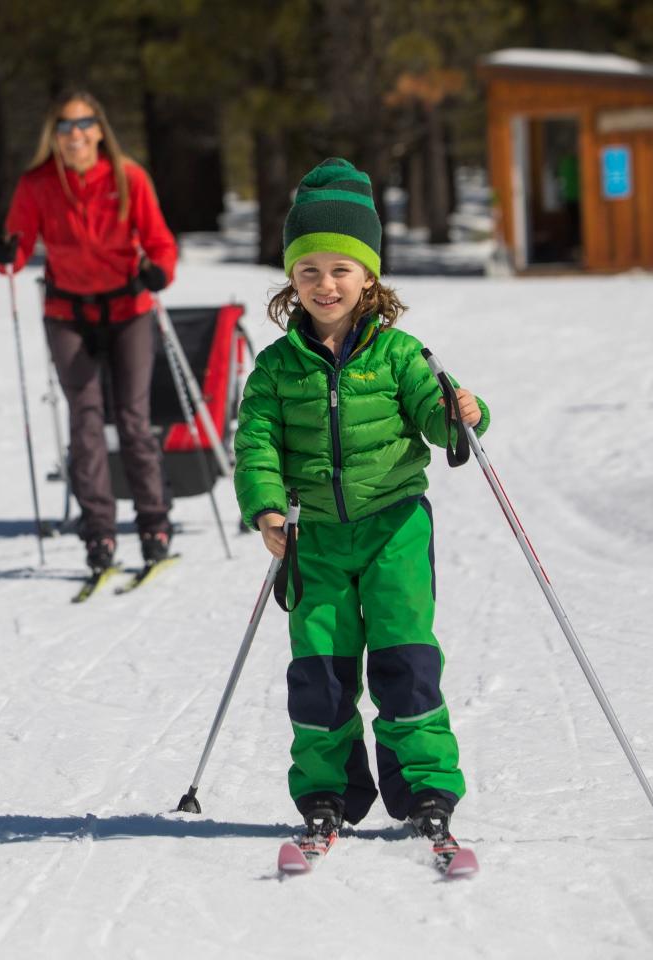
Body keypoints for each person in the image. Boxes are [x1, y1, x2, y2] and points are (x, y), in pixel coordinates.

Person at [233, 157, 489, 850]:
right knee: (320, 671)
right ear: (291, 277)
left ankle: (426, 787)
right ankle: (328, 792)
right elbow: (255, 442)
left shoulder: (403, 356)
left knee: (406, 661)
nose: (325, 284)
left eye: (342, 268)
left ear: (369, 274)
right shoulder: (277, 369)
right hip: (312, 537)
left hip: (394, 529)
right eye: (309, 269)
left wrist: (461, 412)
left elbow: (440, 419)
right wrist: (265, 509)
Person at [0, 90, 177, 574]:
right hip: (67, 312)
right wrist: (7, 251)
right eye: (65, 128)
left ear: (99, 129)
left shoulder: (127, 176)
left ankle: (155, 523)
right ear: (53, 136)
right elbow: (18, 243)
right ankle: (99, 534)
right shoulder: (37, 184)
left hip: (128, 307)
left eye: (83, 125)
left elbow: (159, 241)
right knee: (86, 420)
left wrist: (158, 269)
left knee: (133, 418)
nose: (75, 136)